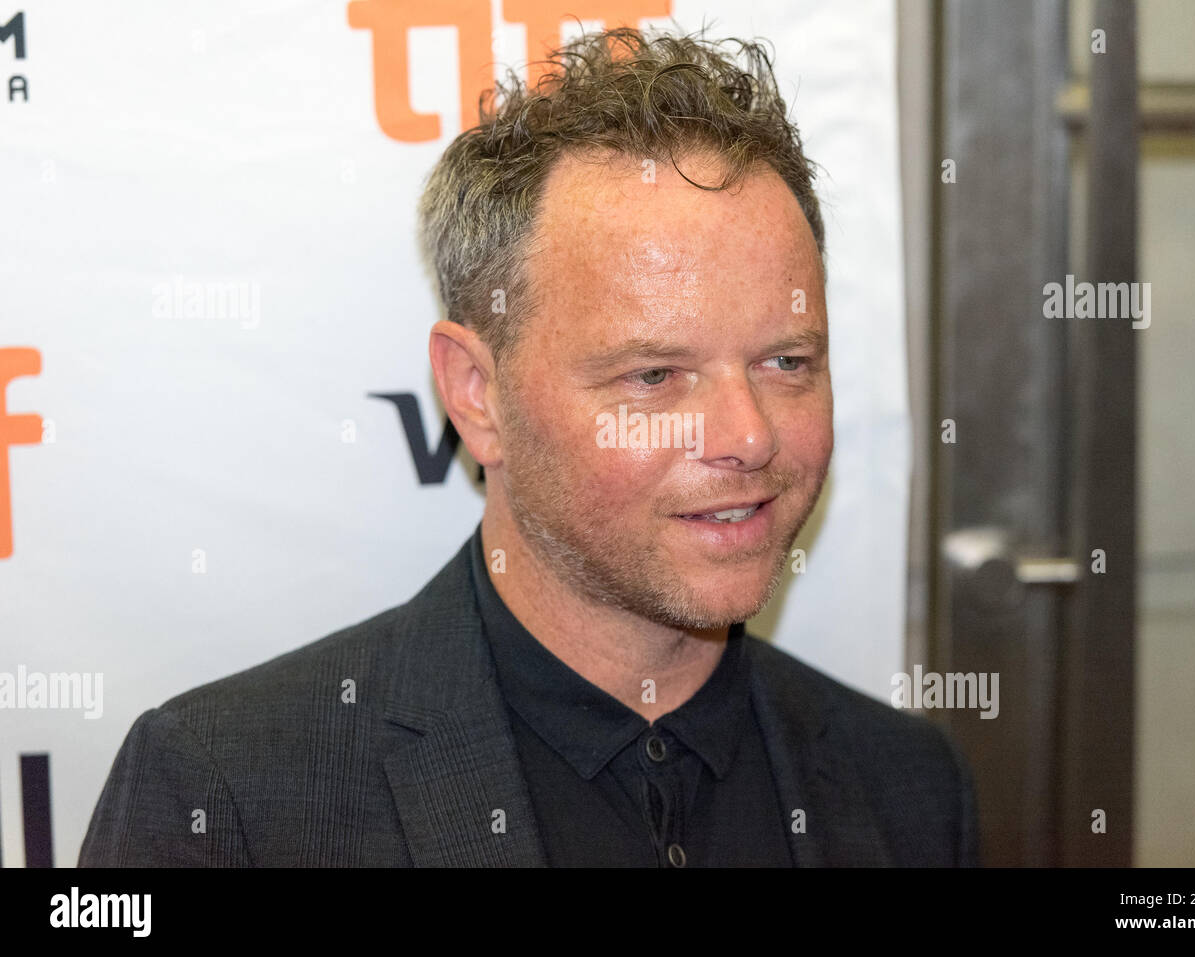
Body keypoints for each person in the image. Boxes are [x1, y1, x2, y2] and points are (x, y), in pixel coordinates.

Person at [80, 26, 978, 867]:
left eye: (787, 361)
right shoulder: (231, 797)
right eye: (655, 375)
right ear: (479, 395)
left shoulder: (908, 785)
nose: (748, 436)